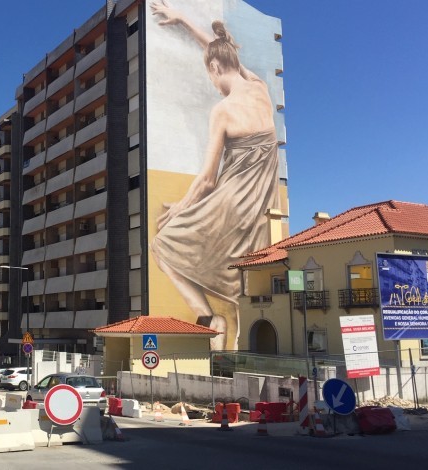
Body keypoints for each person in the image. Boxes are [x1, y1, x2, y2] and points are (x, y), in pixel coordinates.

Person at [149, 1, 280, 350]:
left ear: (215, 68)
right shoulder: (260, 88)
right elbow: (217, 48)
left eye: (210, 73)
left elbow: (207, 179)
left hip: (229, 203)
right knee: (244, 279)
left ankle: (208, 318)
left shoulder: (222, 111)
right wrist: (185, 20)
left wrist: (179, 208)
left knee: (161, 244)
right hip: (260, 210)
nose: (211, 81)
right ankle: (237, 329)